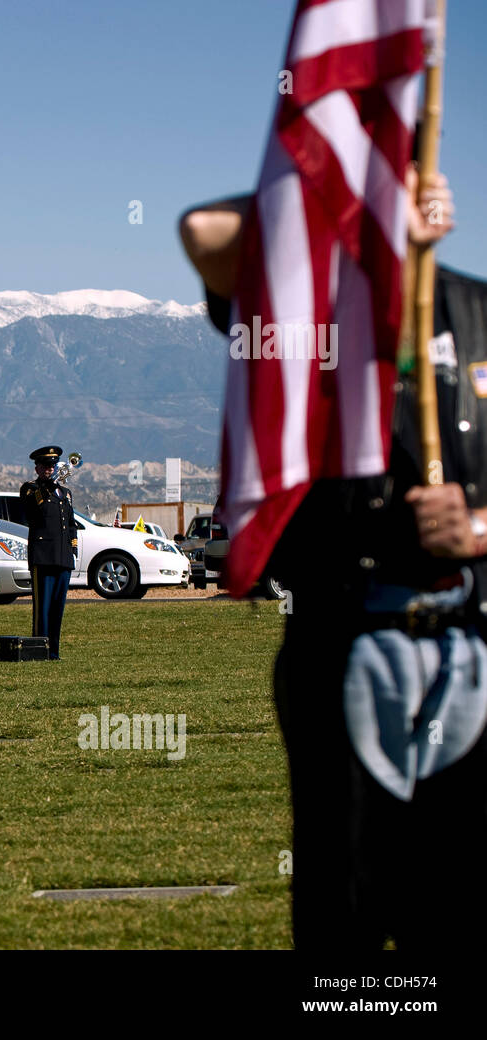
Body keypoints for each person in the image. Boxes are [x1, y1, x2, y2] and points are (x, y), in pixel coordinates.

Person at [181, 164, 487, 948]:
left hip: (470, 646)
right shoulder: (306, 310)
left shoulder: (479, 311)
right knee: (343, 899)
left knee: (454, 898)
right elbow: (204, 235)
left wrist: (477, 531)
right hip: (344, 639)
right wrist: (342, 209)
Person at [21, 446, 77, 660]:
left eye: (52, 466)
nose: (49, 469)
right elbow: (32, 513)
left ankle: (54, 650)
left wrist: (73, 547)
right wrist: (46, 486)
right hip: (43, 556)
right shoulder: (30, 489)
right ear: (37, 468)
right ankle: (38, 649)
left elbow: (70, 524)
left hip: (62, 556)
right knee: (42, 607)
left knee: (57, 608)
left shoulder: (65, 493)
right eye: (45, 466)